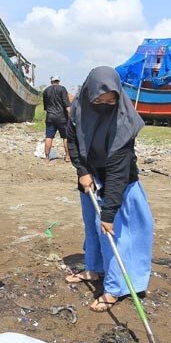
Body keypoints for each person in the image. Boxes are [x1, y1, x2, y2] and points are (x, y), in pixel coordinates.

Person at [66, 66, 153, 312]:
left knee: (113, 235)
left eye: (110, 101)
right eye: (98, 100)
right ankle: (94, 269)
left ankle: (114, 289)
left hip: (120, 184)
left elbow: (118, 172)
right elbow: (73, 142)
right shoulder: (78, 111)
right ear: (87, 95)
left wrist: (109, 211)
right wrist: (82, 171)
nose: (104, 105)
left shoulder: (124, 121)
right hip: (90, 178)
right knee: (92, 228)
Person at [42, 75, 71, 162]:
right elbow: (67, 104)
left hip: (50, 117)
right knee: (65, 137)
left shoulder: (46, 90)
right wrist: (71, 115)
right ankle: (67, 157)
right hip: (62, 118)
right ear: (58, 81)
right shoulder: (62, 89)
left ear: (51, 81)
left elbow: (46, 107)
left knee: (49, 137)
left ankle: (47, 158)